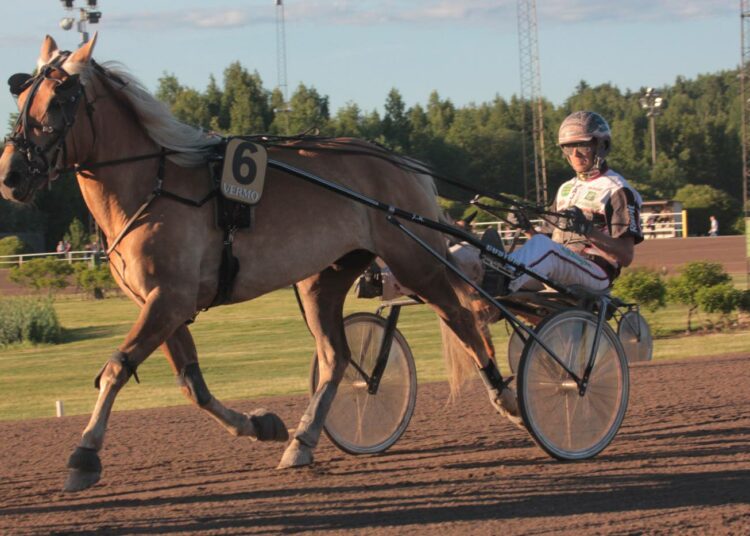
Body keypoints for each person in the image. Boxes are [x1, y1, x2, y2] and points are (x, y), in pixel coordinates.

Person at [484, 110, 644, 295]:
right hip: (561, 266)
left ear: (601, 146)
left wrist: (588, 230)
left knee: (544, 250)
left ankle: (502, 277)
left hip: (596, 272)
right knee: (476, 253)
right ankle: (487, 274)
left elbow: (626, 256)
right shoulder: (565, 189)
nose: (575, 154)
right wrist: (527, 228)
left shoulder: (618, 190)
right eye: (568, 148)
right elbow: (547, 240)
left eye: (582, 146)